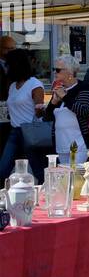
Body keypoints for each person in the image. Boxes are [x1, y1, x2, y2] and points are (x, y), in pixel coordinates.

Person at [0, 48, 46, 181]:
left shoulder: (34, 84)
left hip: (30, 131)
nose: (6, 68)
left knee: (38, 170)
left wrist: (40, 109)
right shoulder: (13, 86)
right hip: (15, 131)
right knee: (3, 169)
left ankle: (46, 193)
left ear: (15, 65)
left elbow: (39, 110)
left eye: (8, 64)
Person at [41, 54, 89, 165]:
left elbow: (84, 111)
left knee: (73, 176)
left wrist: (65, 97)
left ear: (70, 72)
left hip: (79, 144)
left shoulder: (84, 87)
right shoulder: (59, 89)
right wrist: (53, 103)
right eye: (54, 69)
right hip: (61, 145)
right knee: (64, 178)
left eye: (58, 70)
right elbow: (47, 117)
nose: (55, 72)